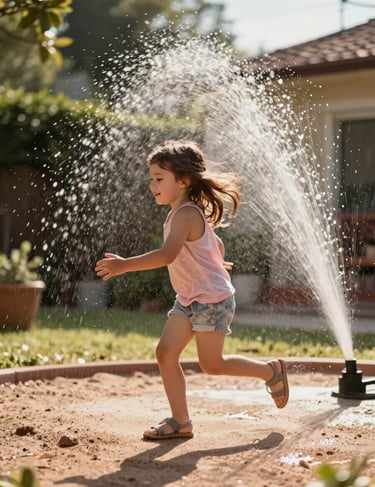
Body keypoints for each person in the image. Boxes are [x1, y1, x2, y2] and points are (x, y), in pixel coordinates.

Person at [95, 140, 289, 440]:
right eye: (152, 179)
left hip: (212, 301)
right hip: (189, 298)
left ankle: (270, 372)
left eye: (159, 179)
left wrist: (124, 265)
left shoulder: (185, 214)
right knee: (165, 353)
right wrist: (216, 261)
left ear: (183, 181)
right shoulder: (181, 213)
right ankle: (181, 421)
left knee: (212, 365)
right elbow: (213, 242)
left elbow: (167, 255)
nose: (152, 185)